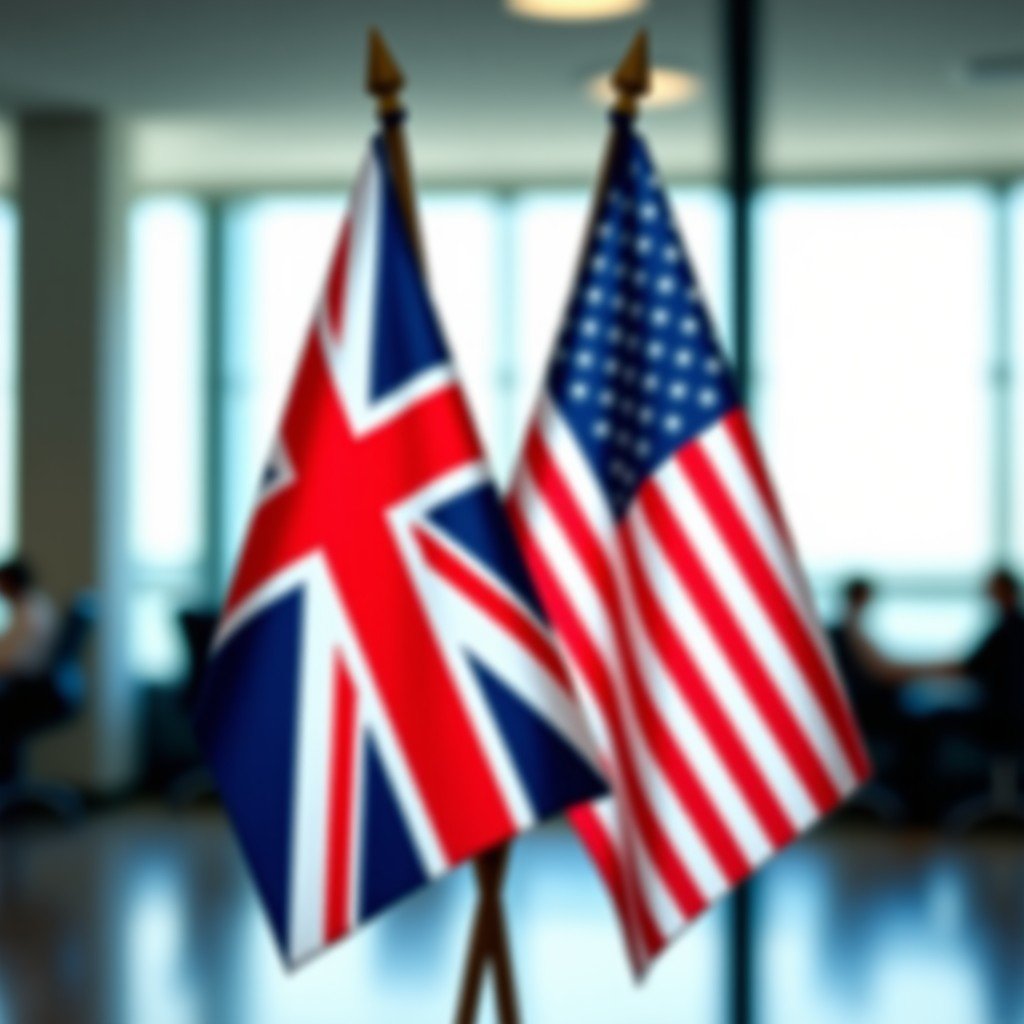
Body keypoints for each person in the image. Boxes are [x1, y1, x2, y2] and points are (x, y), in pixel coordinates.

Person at [0, 558, 60, 782]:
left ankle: (7, 784)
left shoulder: (29, 614)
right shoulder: (34, 606)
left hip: (28, 690)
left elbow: (14, 661)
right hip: (35, 687)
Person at [962, 567, 1024, 754]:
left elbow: (972, 666)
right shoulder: (1010, 625)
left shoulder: (1007, 629)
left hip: (1004, 710)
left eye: (992, 591)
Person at [0, 558, 59, 680]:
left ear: (9, 581)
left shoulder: (29, 611)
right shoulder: (37, 602)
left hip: (27, 673)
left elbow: (16, 655)